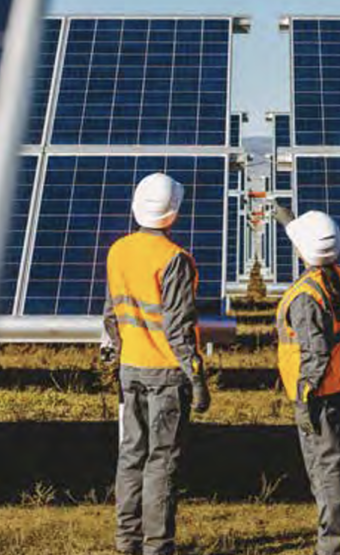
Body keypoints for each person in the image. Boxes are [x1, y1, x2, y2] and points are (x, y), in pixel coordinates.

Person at [103, 172, 211, 555]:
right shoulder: (175, 260)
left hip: (129, 368)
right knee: (161, 463)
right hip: (166, 375)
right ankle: (157, 546)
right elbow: (179, 329)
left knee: (130, 455)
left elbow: (112, 315)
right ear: (173, 213)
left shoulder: (118, 250)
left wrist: (122, 352)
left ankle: (126, 541)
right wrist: (197, 378)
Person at [274, 206, 340, 555]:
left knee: (326, 471)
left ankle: (332, 547)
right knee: (335, 464)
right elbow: (313, 240)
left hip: (319, 394)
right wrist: (286, 219)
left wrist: (305, 395)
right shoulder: (334, 275)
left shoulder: (305, 297)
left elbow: (316, 352)